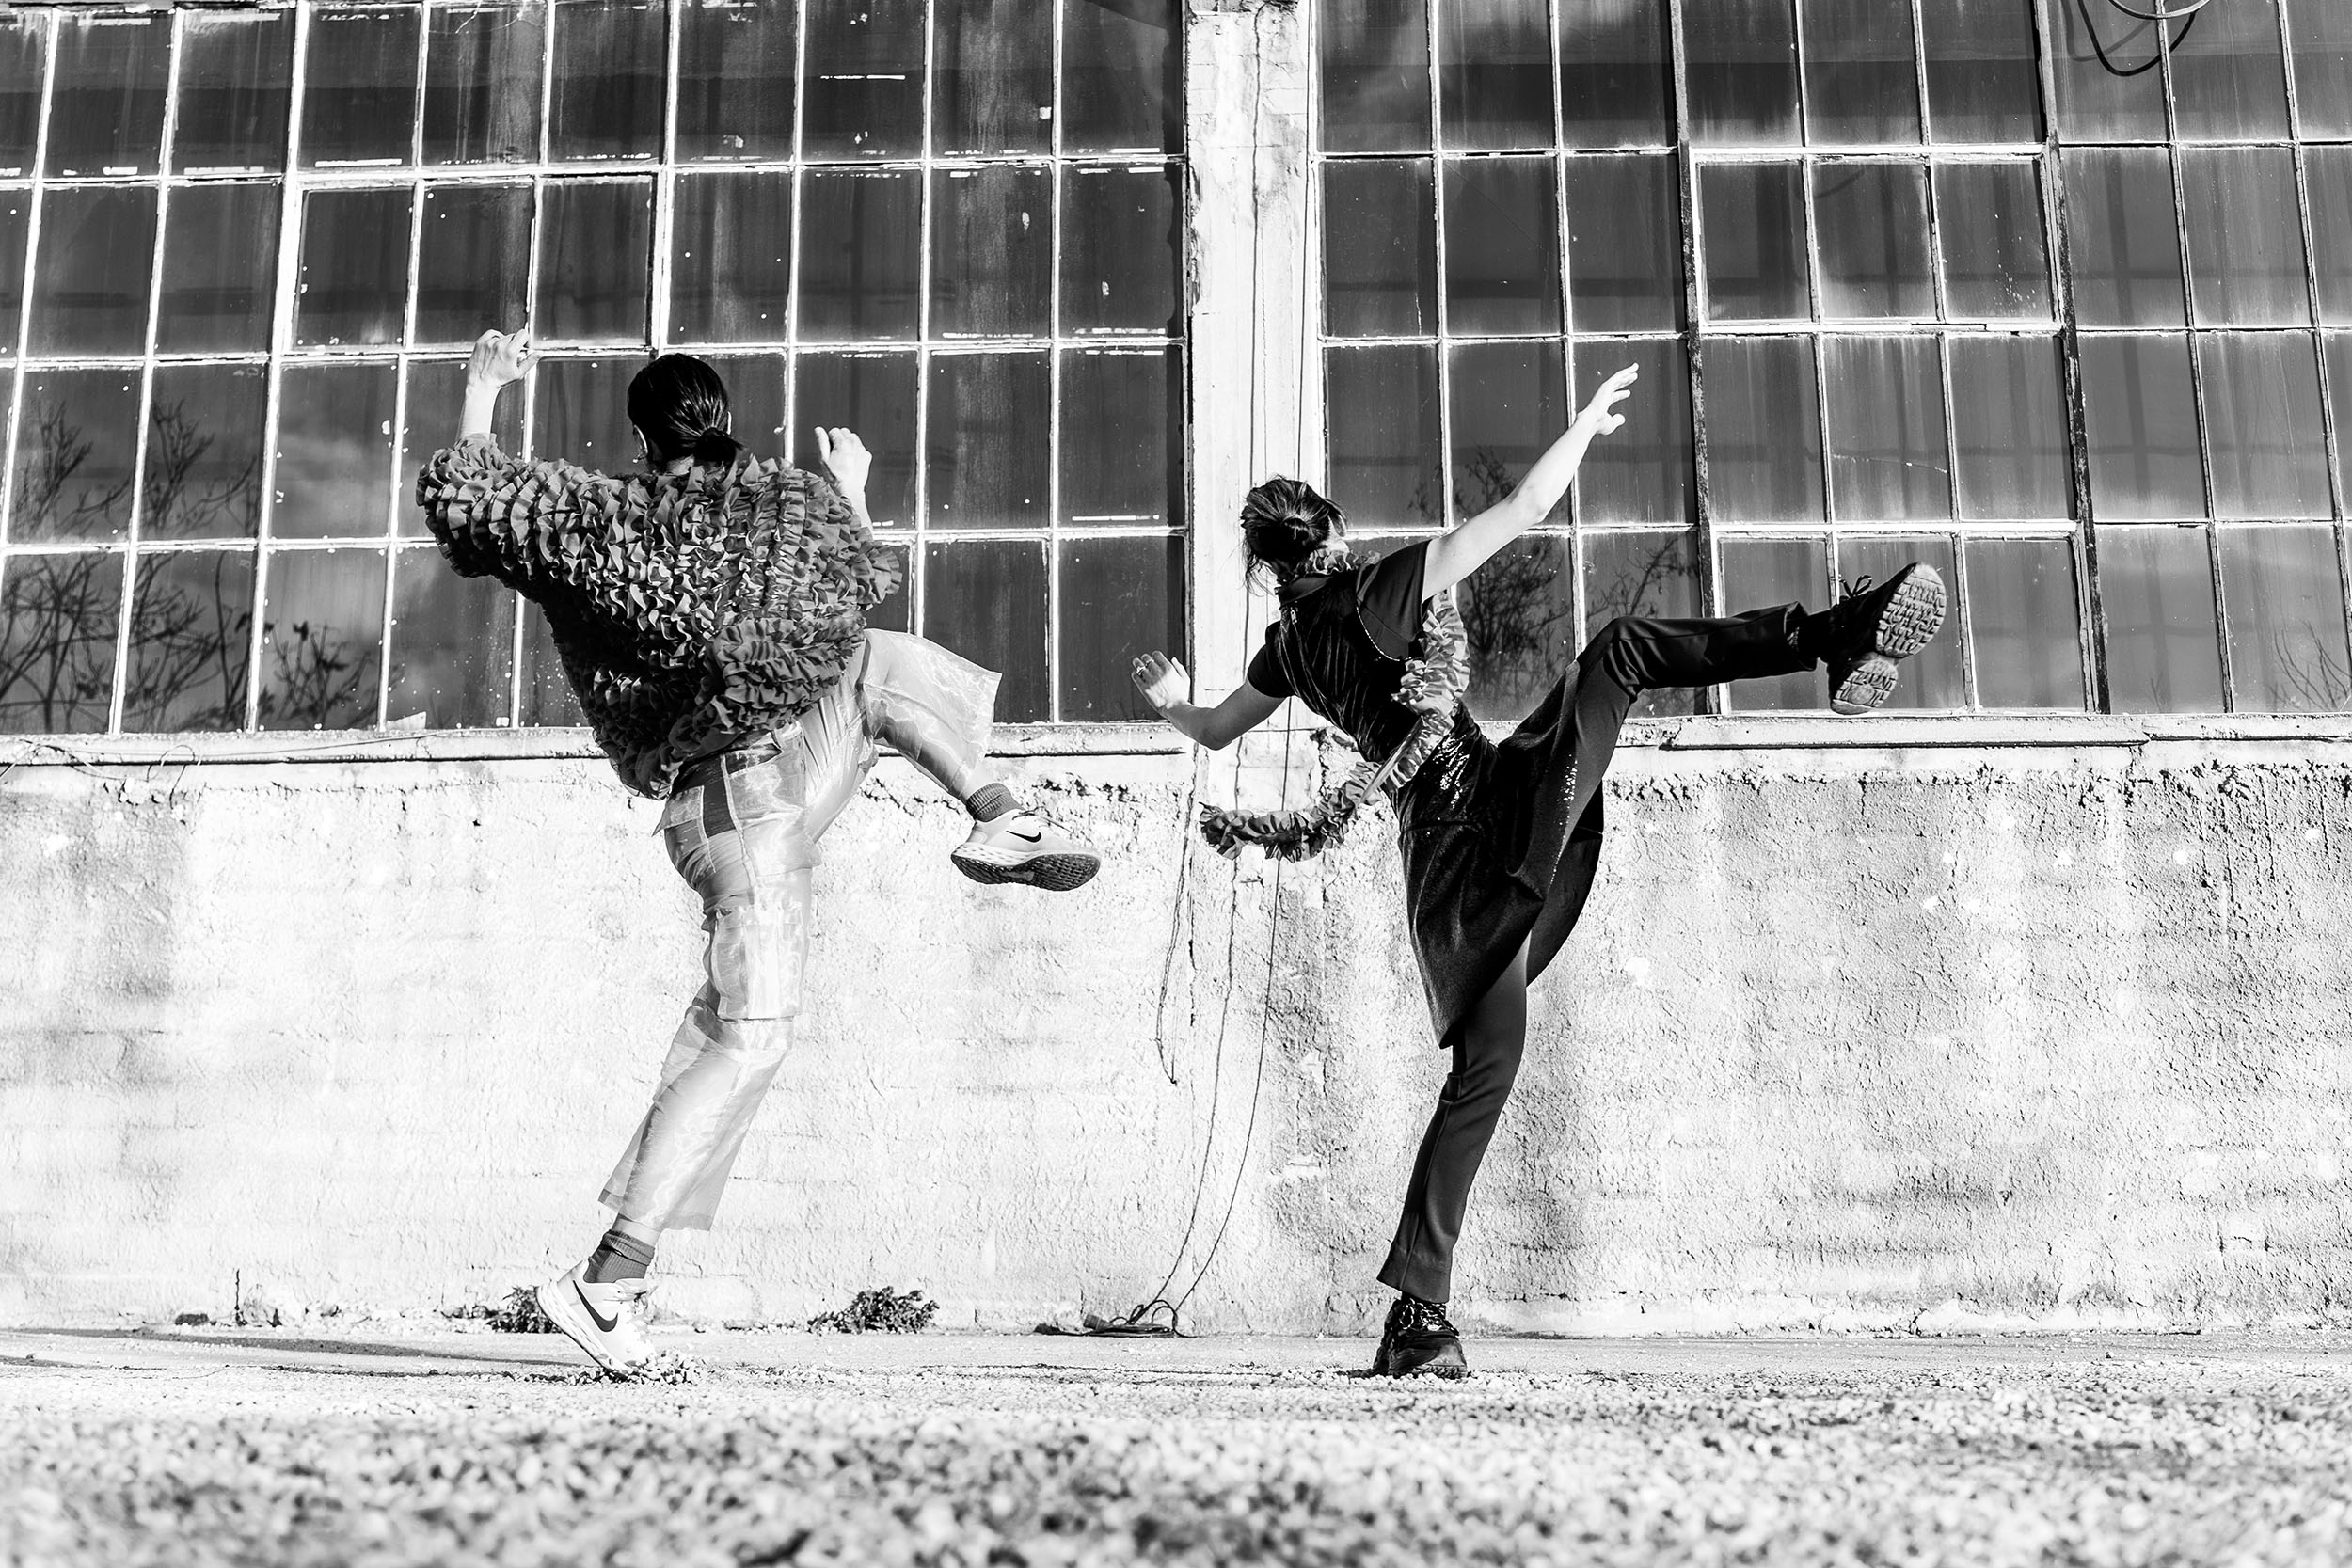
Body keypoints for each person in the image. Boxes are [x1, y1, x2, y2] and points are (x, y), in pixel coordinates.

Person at [1131, 364, 1946, 1378]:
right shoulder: (1379, 589)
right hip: (1493, 807)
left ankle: (1417, 1318)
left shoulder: (1288, 652)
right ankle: (1832, 633)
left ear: (1268, 568)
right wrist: (1583, 425)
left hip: (1436, 870)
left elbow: (1215, 729)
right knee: (1623, 649)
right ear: (1331, 535)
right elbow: (1521, 509)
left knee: (1483, 1073)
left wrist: (1171, 699)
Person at [417, 326, 1100, 1372]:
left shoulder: (606, 519)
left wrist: (482, 391)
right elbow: (856, 574)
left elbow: (470, 503)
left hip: (756, 789)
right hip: (740, 800)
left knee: (868, 666)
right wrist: (852, 488)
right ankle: (606, 1281)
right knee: (749, 1036)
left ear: (643, 441)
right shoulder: (781, 506)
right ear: (726, 419)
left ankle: (1000, 810)